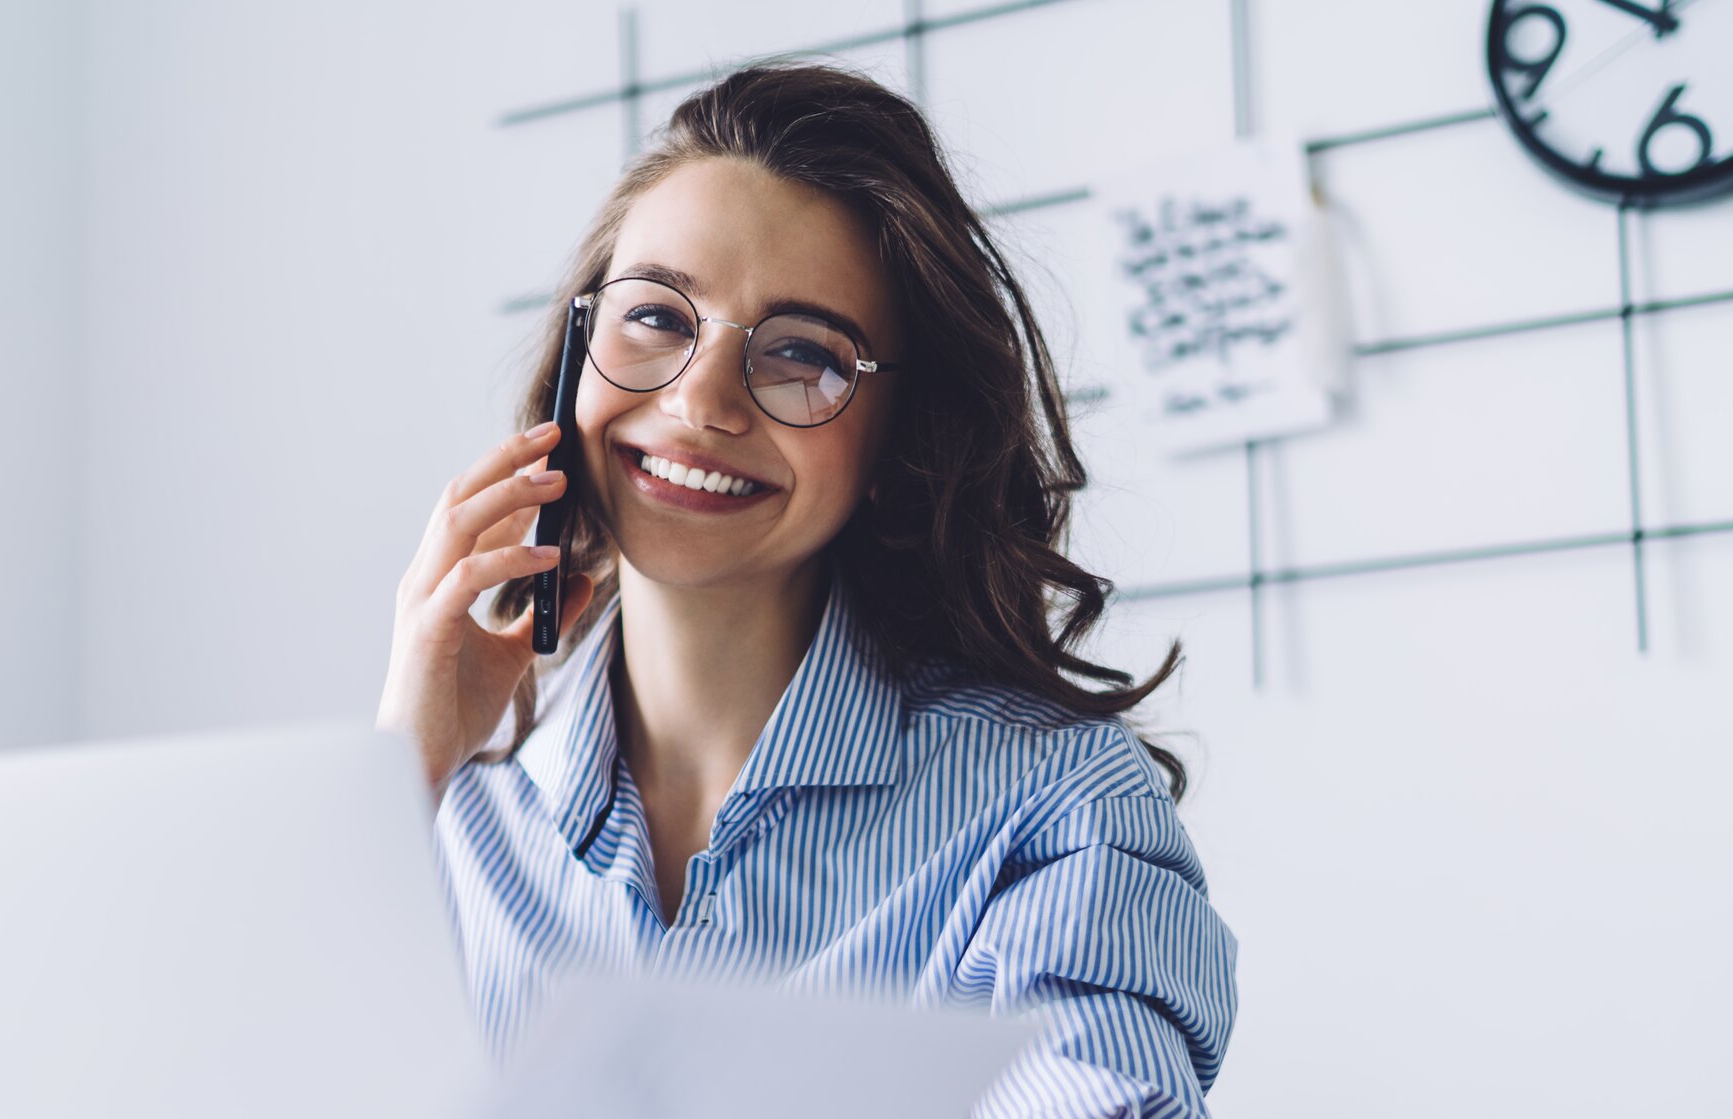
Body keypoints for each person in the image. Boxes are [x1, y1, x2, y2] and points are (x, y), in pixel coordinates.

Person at [376, 59, 1236, 1117]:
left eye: (801, 355)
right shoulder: (448, 802)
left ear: (897, 444)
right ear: (577, 354)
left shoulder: (1055, 810)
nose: (699, 402)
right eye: (655, 317)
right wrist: (394, 786)